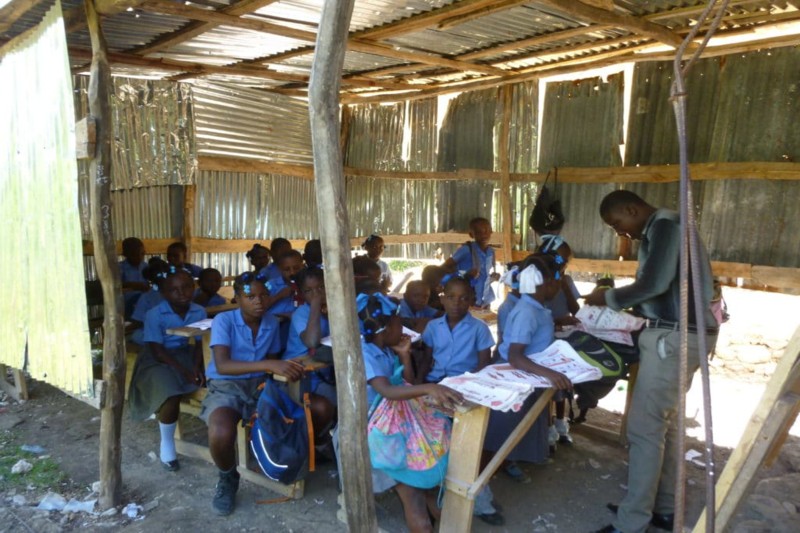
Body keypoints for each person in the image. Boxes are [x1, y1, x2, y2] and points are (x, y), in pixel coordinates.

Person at [586, 190, 718, 533]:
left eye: (618, 223)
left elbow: (655, 283)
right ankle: (665, 508)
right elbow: (662, 287)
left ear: (632, 209)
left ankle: (632, 523)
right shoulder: (668, 226)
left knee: (644, 429)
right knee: (665, 425)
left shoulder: (665, 225)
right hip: (683, 335)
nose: (621, 233)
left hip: (674, 337)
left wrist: (608, 298)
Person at [343, 292, 463, 533]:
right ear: (385, 329)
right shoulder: (365, 354)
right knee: (415, 495)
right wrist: (429, 387)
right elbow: (387, 391)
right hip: (377, 427)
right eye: (400, 324)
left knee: (435, 439)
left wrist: (405, 355)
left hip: (397, 417)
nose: (404, 330)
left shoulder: (387, 349)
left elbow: (406, 383)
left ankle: (431, 499)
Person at [199, 272, 305, 516]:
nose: (259, 301)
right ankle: (227, 476)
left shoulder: (271, 322)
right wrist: (269, 365)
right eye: (251, 296)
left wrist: (279, 368)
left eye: (264, 295)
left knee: (293, 415)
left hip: (260, 385)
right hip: (227, 385)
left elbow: (272, 359)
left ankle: (282, 465)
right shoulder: (224, 320)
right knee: (220, 430)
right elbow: (223, 365)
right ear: (237, 298)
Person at [419, 276, 501, 526]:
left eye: (464, 298)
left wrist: (467, 388)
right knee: (433, 443)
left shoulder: (479, 329)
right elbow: (427, 359)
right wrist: (418, 388)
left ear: (472, 300)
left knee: (466, 447)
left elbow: (483, 365)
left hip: (464, 388)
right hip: (435, 385)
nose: (457, 303)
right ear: (442, 298)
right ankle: (434, 495)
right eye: (451, 297)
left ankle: (480, 501)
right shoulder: (433, 327)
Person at [484, 255, 571, 483]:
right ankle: (486, 473)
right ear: (547, 283)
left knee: (519, 424)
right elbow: (515, 356)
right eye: (559, 282)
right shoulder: (527, 312)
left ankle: (507, 461)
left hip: (528, 375)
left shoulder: (536, 308)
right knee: (505, 428)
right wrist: (551, 373)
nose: (560, 288)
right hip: (514, 376)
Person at [127, 267, 207, 472]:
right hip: (158, 359)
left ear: (194, 287)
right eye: (174, 290)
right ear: (164, 293)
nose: (182, 293)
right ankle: (167, 443)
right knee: (171, 393)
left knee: (213, 379)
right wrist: (186, 372)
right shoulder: (155, 314)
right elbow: (157, 350)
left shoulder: (199, 311)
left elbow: (200, 343)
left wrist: (196, 367)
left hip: (187, 355)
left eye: (187, 287)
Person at [282, 267, 337, 442]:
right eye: (309, 291)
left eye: (321, 288)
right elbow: (312, 342)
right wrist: (315, 305)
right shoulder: (301, 313)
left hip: (324, 372)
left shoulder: (335, 308)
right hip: (300, 377)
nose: (316, 294)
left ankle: (327, 439)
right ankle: (315, 443)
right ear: (301, 294)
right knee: (331, 405)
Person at [537, 235, 581, 447]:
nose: (563, 265)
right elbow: (536, 316)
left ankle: (561, 423)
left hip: (563, 340)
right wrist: (556, 321)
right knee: (548, 387)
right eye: (559, 260)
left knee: (563, 385)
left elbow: (575, 309)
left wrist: (564, 285)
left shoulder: (566, 280)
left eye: (566, 261)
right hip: (544, 341)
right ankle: (547, 429)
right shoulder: (538, 282)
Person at [442, 217, 499, 308]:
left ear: (491, 231)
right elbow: (444, 267)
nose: (484, 235)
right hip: (468, 299)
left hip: (485, 299)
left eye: (486, 231)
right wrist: (465, 274)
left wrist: (493, 277)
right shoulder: (466, 249)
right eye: (479, 232)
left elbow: (484, 275)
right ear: (471, 235)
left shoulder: (491, 252)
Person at [128, 257, 169, 346]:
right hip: (172, 333)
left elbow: (138, 322)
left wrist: (125, 329)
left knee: (136, 335)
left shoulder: (146, 297)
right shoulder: (177, 293)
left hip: (158, 333)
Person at [120, 237, 149, 318]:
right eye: (134, 255)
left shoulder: (146, 267)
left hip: (146, 301)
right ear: (125, 254)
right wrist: (132, 285)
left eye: (142, 254)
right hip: (128, 304)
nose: (139, 257)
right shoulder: (120, 268)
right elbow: (115, 286)